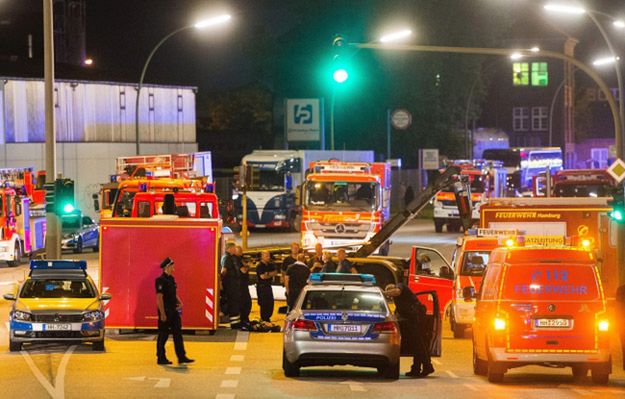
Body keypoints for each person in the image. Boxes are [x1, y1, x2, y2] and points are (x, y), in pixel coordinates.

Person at [384, 283, 434, 378]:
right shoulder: (397, 301)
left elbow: (397, 291)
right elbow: (397, 314)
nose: (391, 295)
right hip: (412, 319)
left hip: (417, 318)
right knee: (416, 345)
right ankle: (416, 369)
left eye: (390, 291)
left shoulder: (401, 287)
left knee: (419, 344)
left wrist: (384, 293)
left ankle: (427, 366)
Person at [156, 257, 194, 365]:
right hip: (166, 311)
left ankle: (181, 356)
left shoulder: (171, 279)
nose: (174, 268)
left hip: (173, 310)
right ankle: (161, 357)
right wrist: (162, 313)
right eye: (172, 266)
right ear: (167, 267)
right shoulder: (160, 280)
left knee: (178, 333)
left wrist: (180, 302)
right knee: (163, 335)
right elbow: (159, 298)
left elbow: (174, 293)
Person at [221, 242, 241, 329]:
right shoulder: (227, 258)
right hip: (230, 285)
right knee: (233, 303)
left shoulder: (231, 257)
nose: (235, 250)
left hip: (232, 284)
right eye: (233, 248)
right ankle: (234, 324)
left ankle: (235, 322)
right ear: (229, 248)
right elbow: (224, 270)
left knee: (234, 303)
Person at [256, 251, 277, 323]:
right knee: (264, 303)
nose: (268, 257)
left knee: (270, 303)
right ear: (262, 257)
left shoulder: (270, 265)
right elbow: (263, 277)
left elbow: (275, 273)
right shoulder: (260, 266)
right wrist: (269, 274)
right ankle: (264, 319)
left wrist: (268, 273)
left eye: (268, 255)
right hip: (262, 287)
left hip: (268, 286)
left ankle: (268, 317)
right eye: (266, 256)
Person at [236, 245, 252, 328]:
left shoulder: (238, 259)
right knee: (245, 303)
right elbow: (243, 270)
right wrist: (247, 266)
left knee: (246, 303)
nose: (242, 252)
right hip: (241, 287)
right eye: (240, 251)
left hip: (243, 286)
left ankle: (244, 319)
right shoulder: (237, 260)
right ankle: (243, 320)